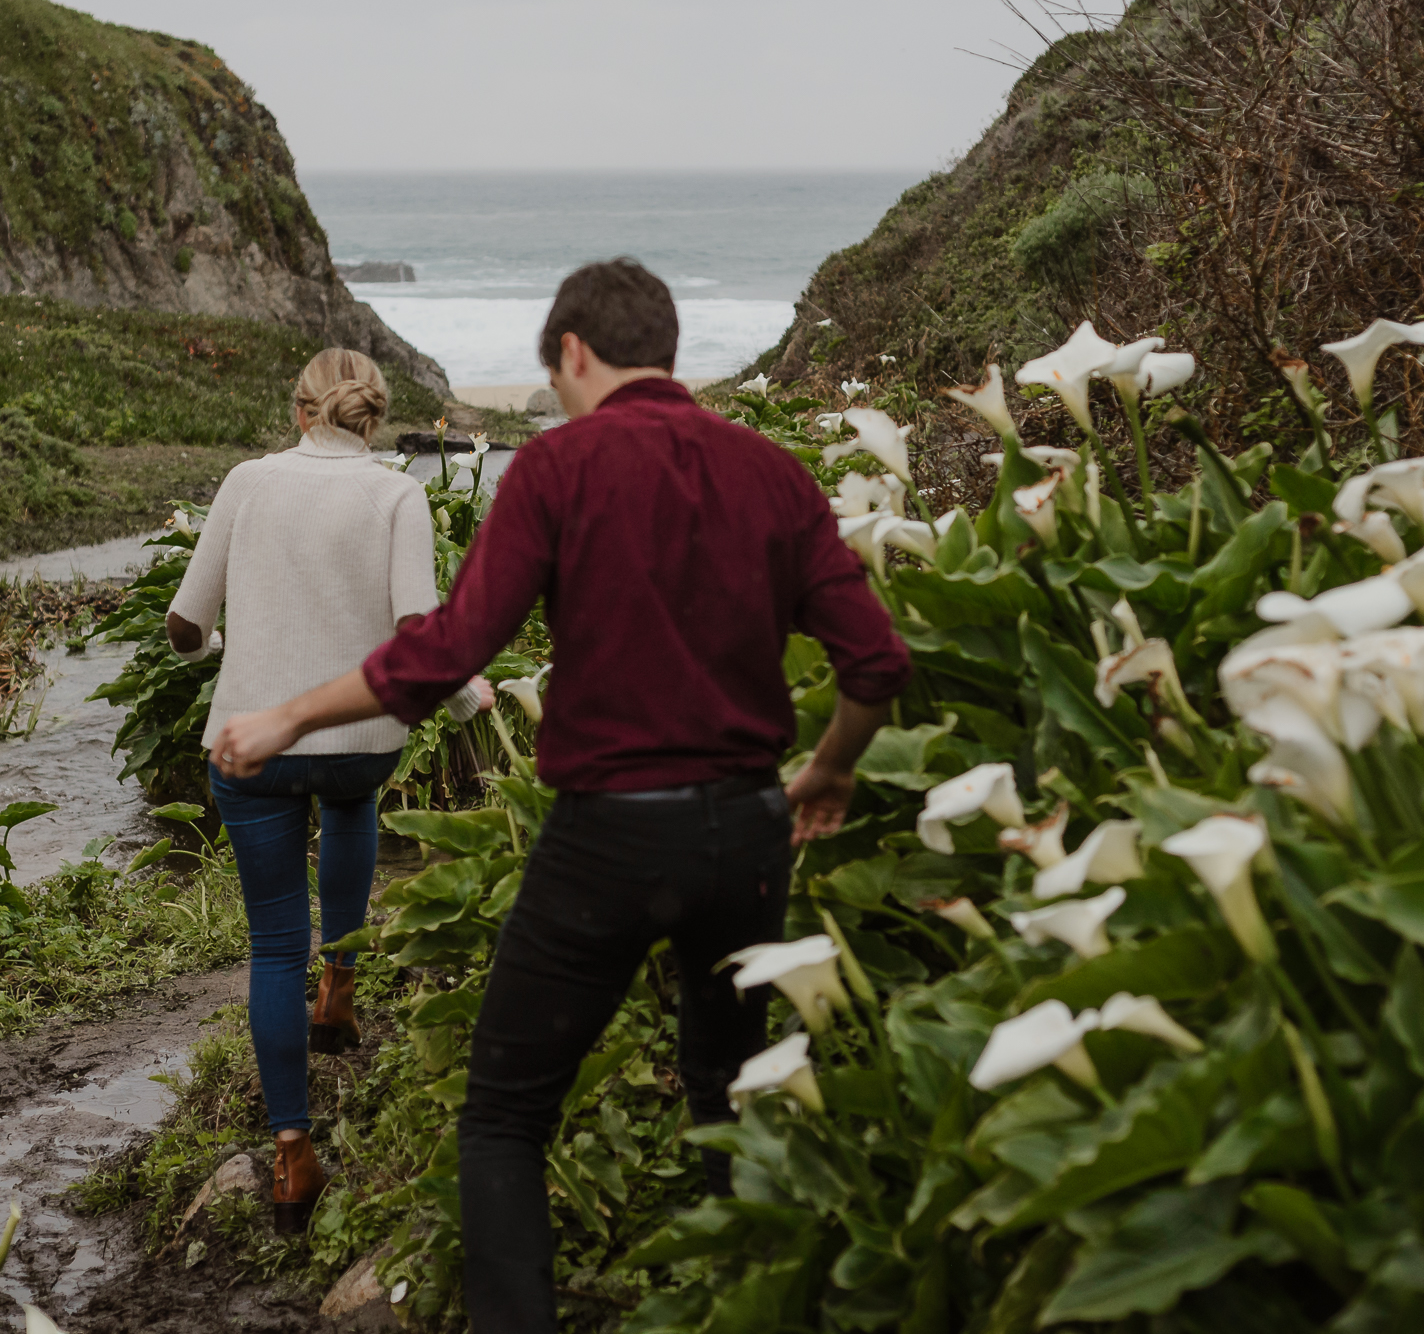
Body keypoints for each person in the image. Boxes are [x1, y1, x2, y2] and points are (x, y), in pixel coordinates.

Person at [208, 260, 911, 1330]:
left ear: (574, 355)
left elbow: (445, 648)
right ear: (666, 351)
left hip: (607, 839)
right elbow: (874, 664)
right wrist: (832, 765)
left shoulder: (558, 467)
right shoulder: (772, 473)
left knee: (503, 1116)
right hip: (744, 831)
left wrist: (291, 716)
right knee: (732, 1094)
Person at [166, 346, 489, 1235]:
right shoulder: (399, 494)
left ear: (298, 408)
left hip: (252, 746)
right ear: (372, 418)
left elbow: (185, 621)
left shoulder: (246, 481)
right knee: (353, 803)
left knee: (274, 943)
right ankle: (340, 986)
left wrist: (208, 656)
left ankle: (291, 1153)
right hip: (362, 740)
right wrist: (467, 696)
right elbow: (418, 629)